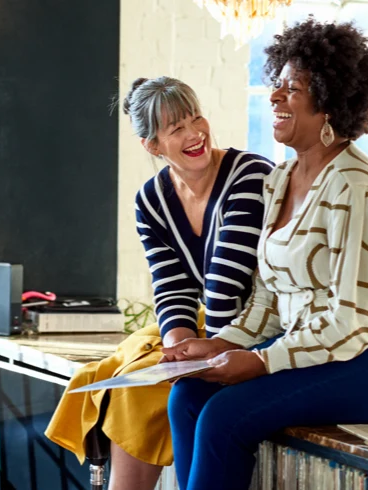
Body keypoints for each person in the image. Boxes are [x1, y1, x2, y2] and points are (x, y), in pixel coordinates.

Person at [160, 19, 368, 490]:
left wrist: (259, 362)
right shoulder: (279, 181)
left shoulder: (357, 190)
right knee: (189, 394)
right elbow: (268, 301)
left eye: (291, 88)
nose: (274, 96)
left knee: (227, 415)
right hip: (345, 348)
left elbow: (354, 324)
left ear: (328, 102)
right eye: (275, 84)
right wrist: (221, 345)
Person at [44, 76, 274, 490]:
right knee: (134, 386)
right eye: (176, 129)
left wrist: (199, 358)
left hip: (260, 329)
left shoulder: (250, 174)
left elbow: (228, 278)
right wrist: (177, 350)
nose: (195, 134)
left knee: (163, 390)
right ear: (152, 145)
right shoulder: (150, 200)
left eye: (196, 118)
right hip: (211, 331)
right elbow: (171, 287)